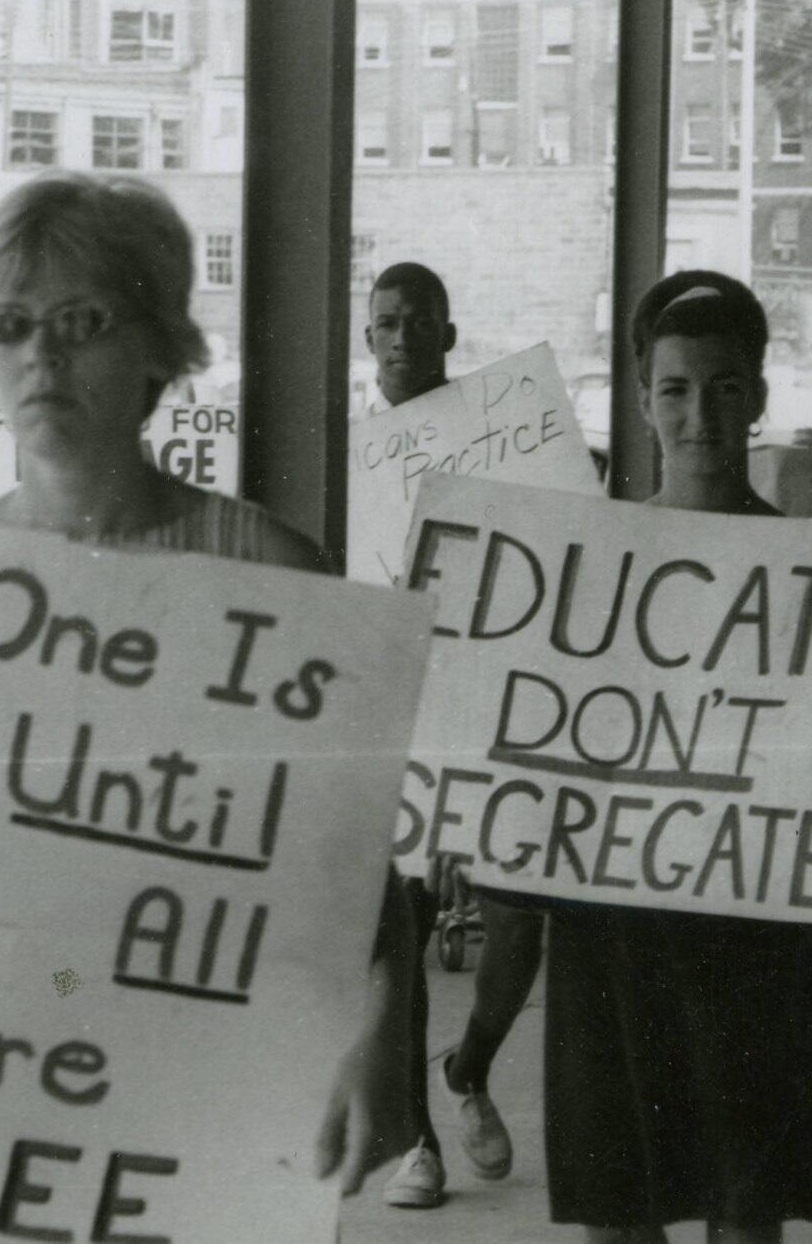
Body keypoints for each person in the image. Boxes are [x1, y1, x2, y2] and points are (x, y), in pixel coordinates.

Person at [0, 170, 420, 1202]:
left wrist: (384, 1034)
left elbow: (353, 881)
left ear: (159, 349)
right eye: (8, 324)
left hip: (203, 1093)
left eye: (81, 319)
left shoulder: (271, 574)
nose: (41, 354)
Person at [543, 271, 812, 1244]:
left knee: (745, 1197)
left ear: (756, 396)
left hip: (750, 922)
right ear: (641, 404)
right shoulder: (589, 557)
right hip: (613, 918)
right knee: (617, 1195)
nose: (697, 413)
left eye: (720, 388)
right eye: (673, 390)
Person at [360, 261, 531, 1208]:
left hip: (491, 707)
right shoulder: (343, 451)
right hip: (393, 713)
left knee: (521, 918)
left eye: (418, 322)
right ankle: (417, 1141)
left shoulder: (500, 440)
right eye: (385, 322)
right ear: (366, 336)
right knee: (401, 930)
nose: (401, 337)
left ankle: (467, 1065)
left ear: (448, 335)